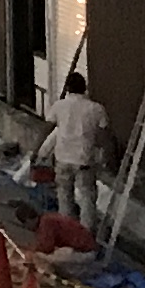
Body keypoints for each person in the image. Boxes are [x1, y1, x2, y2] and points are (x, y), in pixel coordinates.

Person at [50, 72, 116, 234]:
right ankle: (86, 234)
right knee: (87, 198)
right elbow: (104, 137)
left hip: (62, 158)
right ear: (84, 88)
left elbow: (48, 128)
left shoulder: (59, 106)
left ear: (67, 88)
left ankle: (66, 231)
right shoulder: (95, 109)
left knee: (64, 197)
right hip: (83, 160)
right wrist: (109, 158)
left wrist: (37, 152)